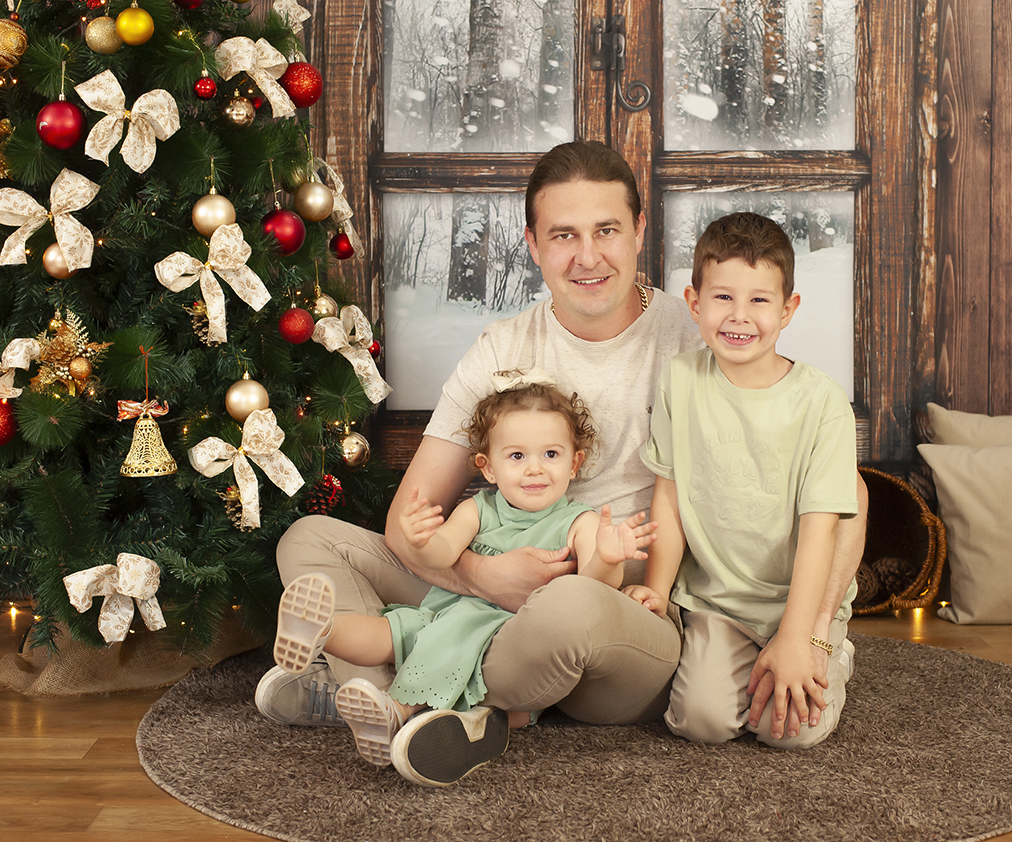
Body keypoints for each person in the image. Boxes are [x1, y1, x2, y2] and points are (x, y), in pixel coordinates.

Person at [258, 141, 866, 784]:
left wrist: (812, 632)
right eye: (563, 235)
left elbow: (843, 500)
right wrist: (481, 576)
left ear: (638, 230)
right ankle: (391, 704)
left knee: (566, 603)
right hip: (487, 587)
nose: (587, 256)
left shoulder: (707, 332)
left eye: (606, 230)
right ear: (532, 243)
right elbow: (409, 521)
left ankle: (391, 686)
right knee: (310, 539)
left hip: (619, 614)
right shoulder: (503, 347)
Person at [270, 380, 656, 786]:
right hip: (450, 613)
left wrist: (608, 558)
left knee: (439, 650)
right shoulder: (478, 508)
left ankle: (399, 710)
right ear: (487, 467)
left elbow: (593, 590)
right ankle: (319, 630)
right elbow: (443, 554)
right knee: (388, 632)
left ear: (574, 463)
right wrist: (420, 539)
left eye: (551, 454)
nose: (535, 468)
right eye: (517, 456)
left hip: (504, 639)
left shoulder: (579, 521)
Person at [625, 211, 859, 749]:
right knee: (701, 722)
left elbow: (820, 528)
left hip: (795, 599)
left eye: (759, 300)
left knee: (790, 734)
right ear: (694, 303)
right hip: (717, 603)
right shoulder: (680, 379)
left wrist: (798, 635)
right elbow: (669, 493)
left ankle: (833, 651)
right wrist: (657, 590)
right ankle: (742, 661)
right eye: (723, 297)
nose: (739, 316)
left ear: (788, 309)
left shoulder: (823, 402)